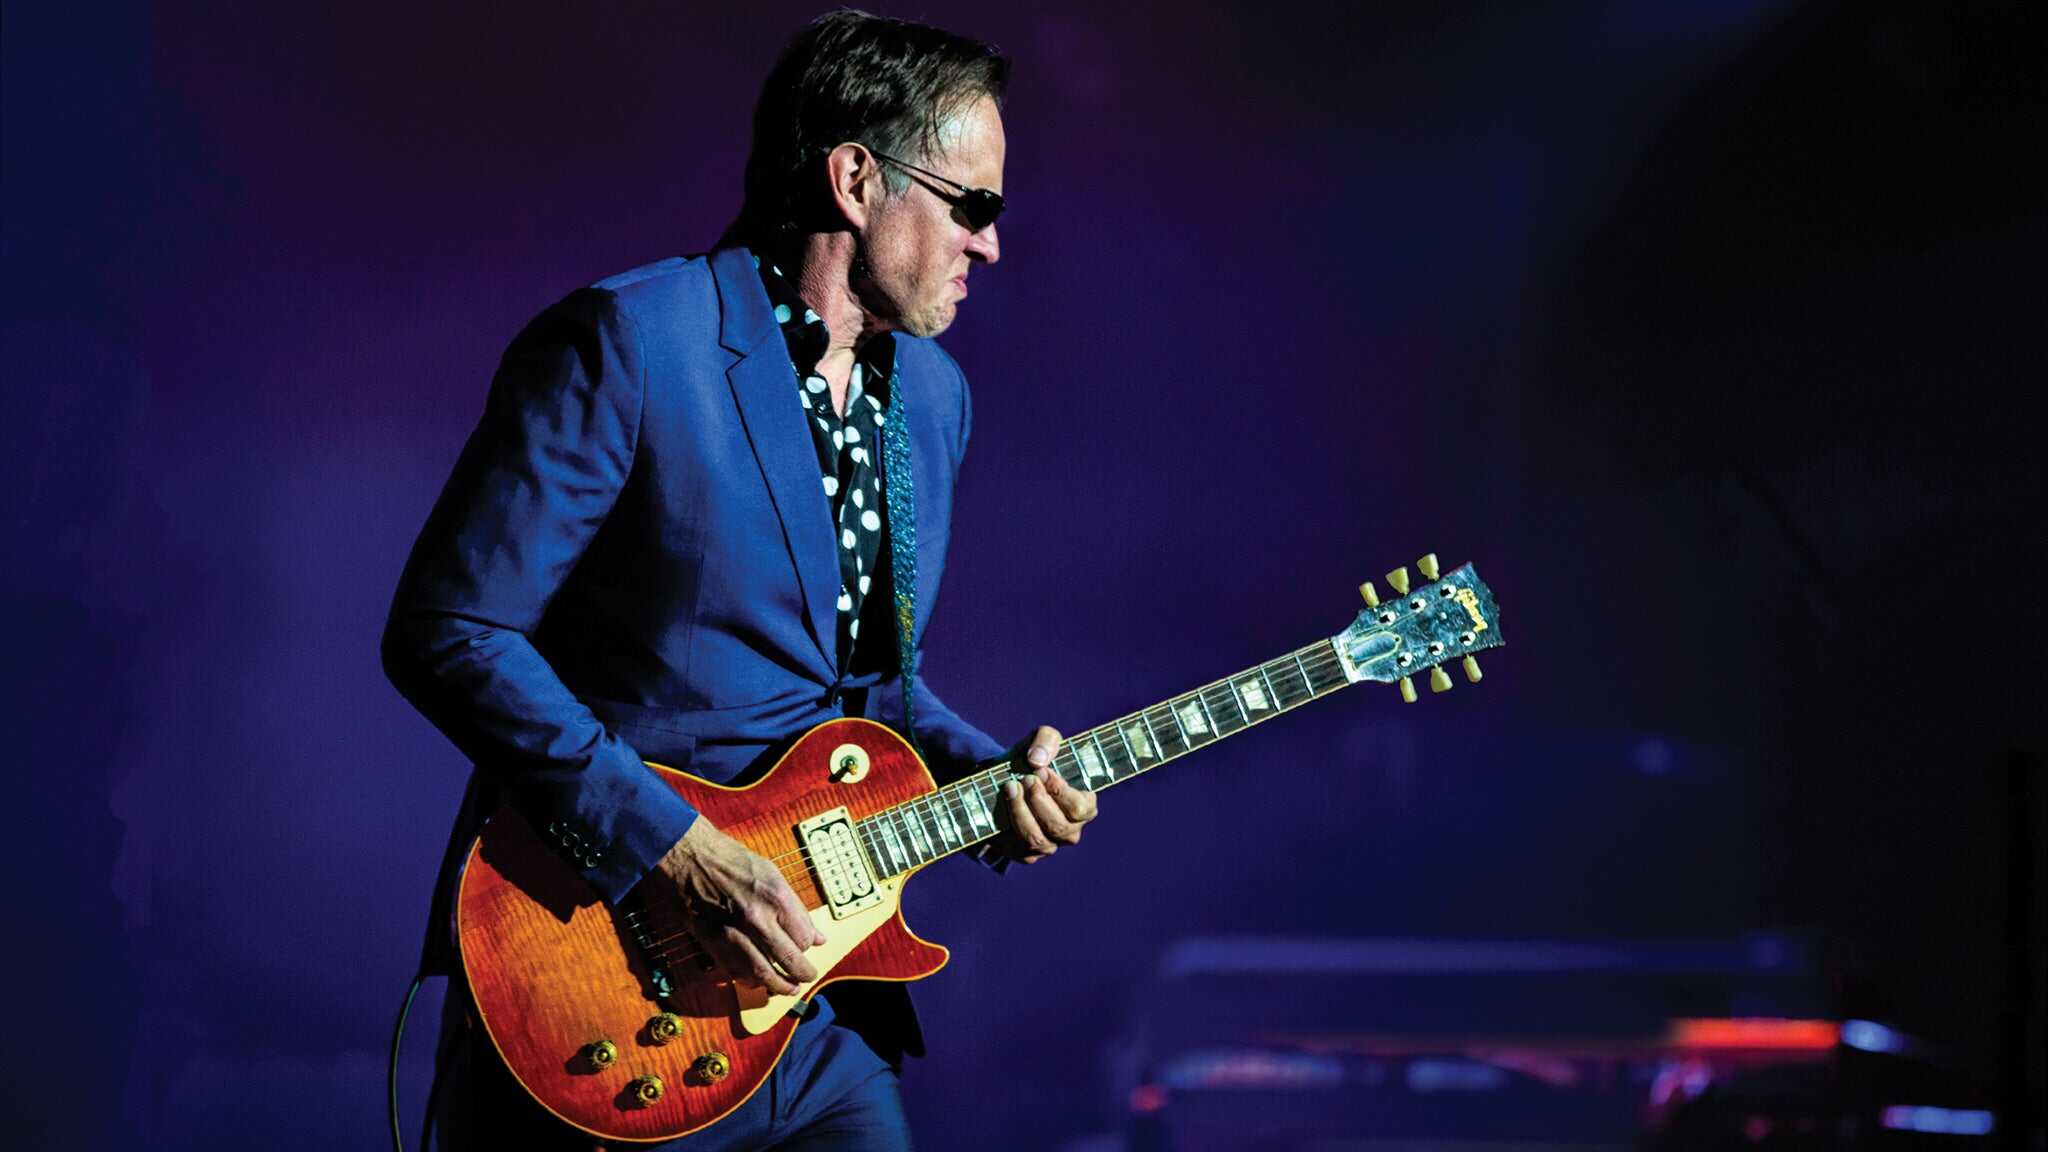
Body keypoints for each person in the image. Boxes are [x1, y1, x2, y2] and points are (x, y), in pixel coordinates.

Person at [380, 10, 1099, 1149]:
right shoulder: (631, 342)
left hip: (821, 1012)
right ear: (855, 180)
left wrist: (992, 776)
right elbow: (451, 629)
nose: (992, 245)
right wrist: (673, 848)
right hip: (609, 981)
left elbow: (866, 686)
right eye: (972, 205)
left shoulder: (932, 398)